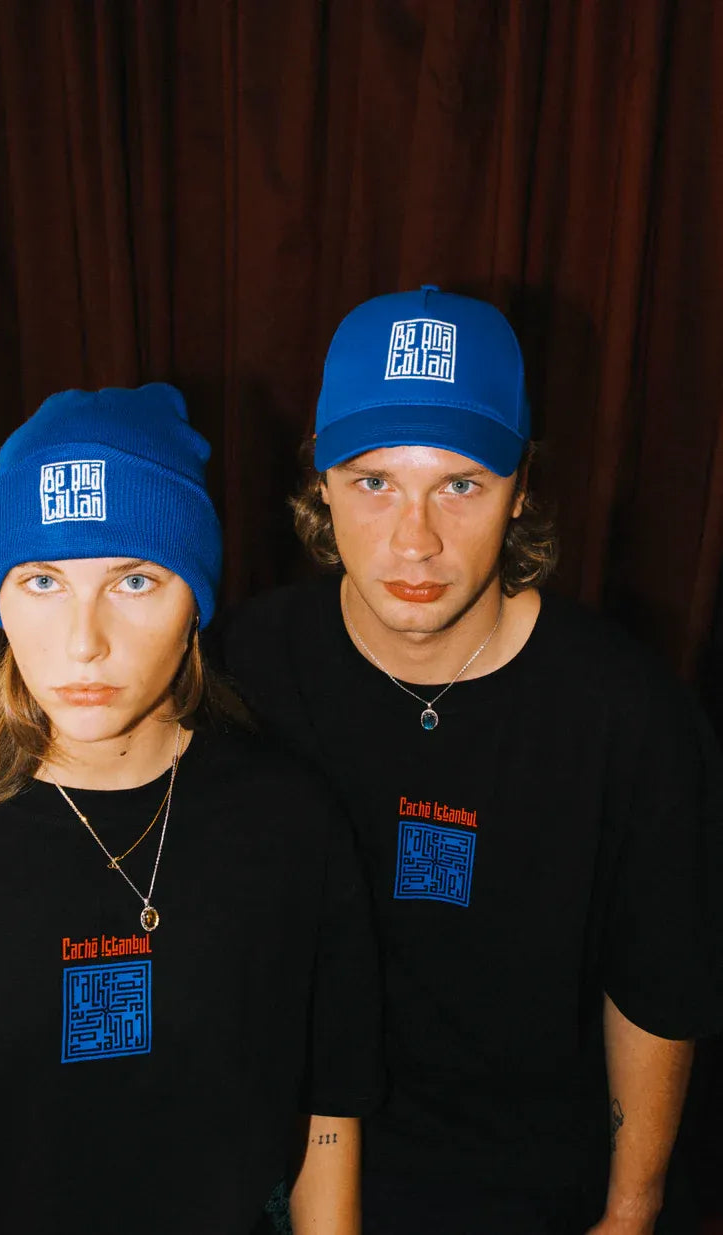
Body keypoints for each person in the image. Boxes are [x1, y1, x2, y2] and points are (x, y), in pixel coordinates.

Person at [221, 287, 723, 1234]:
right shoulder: (241, 671)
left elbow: (658, 983)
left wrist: (630, 1210)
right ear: (320, 480)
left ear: (521, 487)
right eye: (374, 482)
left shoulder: (629, 713)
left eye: (460, 484)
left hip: (532, 1185)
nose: (415, 540)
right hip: (293, 1171)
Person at [0, 383, 381, 1235]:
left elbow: (328, 1114)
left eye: (133, 580)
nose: (84, 640)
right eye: (43, 579)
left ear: (195, 599)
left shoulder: (289, 824)